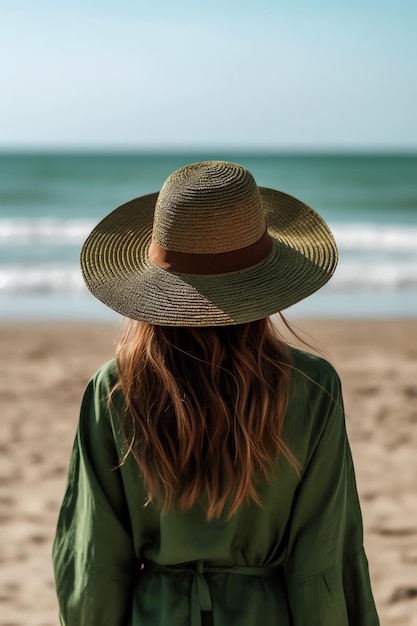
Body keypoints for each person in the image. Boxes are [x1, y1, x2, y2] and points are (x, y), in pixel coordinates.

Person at [53, 161, 380, 625]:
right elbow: (323, 556)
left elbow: (95, 561)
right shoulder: (313, 385)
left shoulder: (114, 388)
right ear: (265, 279)